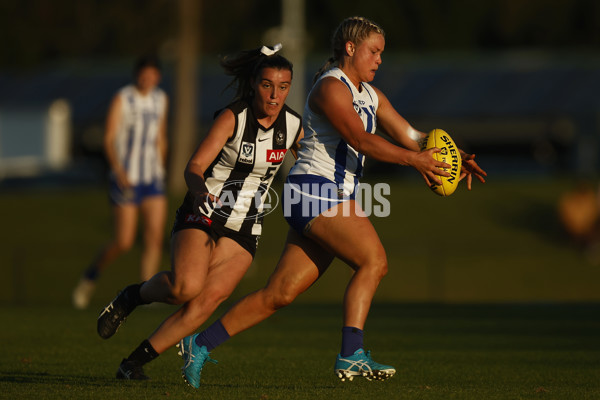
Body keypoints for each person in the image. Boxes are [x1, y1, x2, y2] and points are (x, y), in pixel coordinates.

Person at [177, 16, 487, 388]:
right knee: (374, 261)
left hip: (326, 195)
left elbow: (414, 136)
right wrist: (414, 161)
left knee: (279, 294)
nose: (379, 60)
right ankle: (351, 354)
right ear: (350, 49)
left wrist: (451, 157)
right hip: (314, 189)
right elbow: (359, 138)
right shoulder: (330, 87)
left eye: (382, 54)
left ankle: (200, 344)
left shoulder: (371, 96)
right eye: (374, 51)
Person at [96, 44, 305, 381]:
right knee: (185, 288)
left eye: (283, 87)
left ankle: (131, 364)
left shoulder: (293, 125)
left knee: (205, 304)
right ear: (254, 83)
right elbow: (194, 166)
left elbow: (313, 160)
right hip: (205, 211)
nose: (275, 94)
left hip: (245, 226)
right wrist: (200, 192)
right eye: (267, 85)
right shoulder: (232, 118)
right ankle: (131, 296)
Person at [72, 55, 169, 310]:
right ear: (137, 75)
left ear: (158, 76)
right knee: (124, 242)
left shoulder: (161, 99)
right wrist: (118, 169)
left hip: (152, 177)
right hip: (126, 177)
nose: (147, 79)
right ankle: (90, 276)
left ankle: (146, 294)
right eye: (143, 74)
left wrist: (161, 166)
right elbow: (109, 137)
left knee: (154, 238)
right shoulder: (123, 98)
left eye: (152, 74)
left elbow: (160, 136)